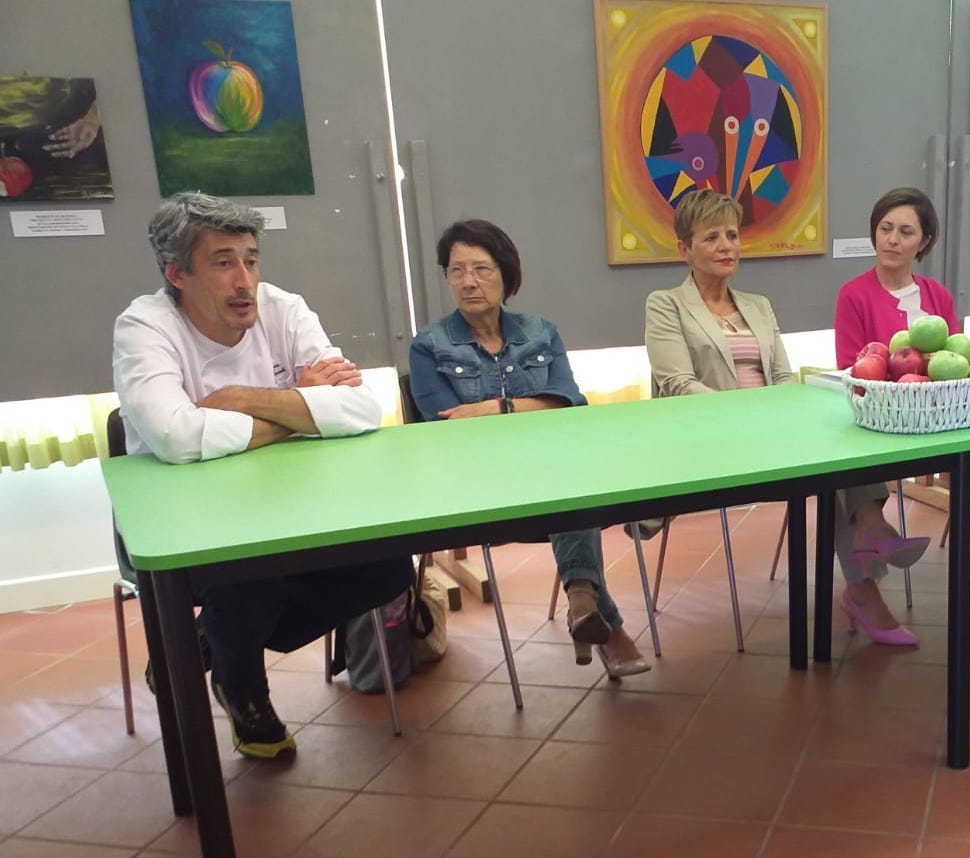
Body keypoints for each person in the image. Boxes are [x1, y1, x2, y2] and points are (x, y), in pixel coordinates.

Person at [113, 192, 414, 759]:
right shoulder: (144, 326)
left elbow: (361, 409)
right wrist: (300, 406)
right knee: (249, 576)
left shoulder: (283, 308)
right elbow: (177, 437)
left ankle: (214, 637)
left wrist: (238, 399)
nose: (244, 280)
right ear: (177, 273)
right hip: (183, 522)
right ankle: (241, 686)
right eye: (223, 262)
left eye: (251, 259)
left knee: (388, 565)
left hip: (292, 504)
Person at [644, 188, 926, 646]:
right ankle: (870, 544)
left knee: (842, 442)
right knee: (831, 464)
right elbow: (677, 384)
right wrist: (751, 415)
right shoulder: (665, 304)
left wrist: (779, 415)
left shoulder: (757, 305)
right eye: (711, 237)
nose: (726, 246)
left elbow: (781, 377)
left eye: (732, 235)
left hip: (773, 432)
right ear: (684, 249)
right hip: (706, 438)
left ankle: (866, 559)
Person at [409, 219, 650, 679]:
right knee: (572, 482)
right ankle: (594, 608)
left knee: (567, 476)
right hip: (479, 480)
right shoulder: (429, 346)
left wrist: (495, 408)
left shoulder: (540, 332)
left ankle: (586, 601)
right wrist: (534, 407)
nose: (468, 281)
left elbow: (570, 402)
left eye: (481, 269)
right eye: (456, 271)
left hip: (550, 468)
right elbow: (445, 426)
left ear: (506, 274)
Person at [836, 186, 970, 623]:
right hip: (883, 420)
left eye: (905, 232)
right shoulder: (853, 294)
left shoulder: (936, 295)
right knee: (842, 455)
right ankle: (871, 537)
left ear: (924, 241)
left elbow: (955, 361)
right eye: (885, 228)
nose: (892, 240)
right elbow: (850, 367)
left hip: (943, 418)